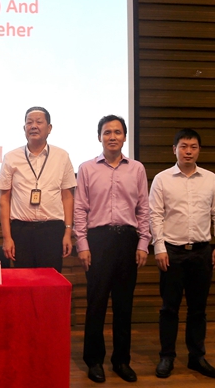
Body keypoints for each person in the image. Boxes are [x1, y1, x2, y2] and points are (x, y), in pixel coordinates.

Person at [74, 114, 150, 383]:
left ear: (125, 137)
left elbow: (143, 209)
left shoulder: (137, 169)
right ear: (99, 137)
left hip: (127, 241)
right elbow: (80, 209)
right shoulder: (86, 168)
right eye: (107, 132)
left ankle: (121, 361)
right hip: (98, 241)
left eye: (117, 132)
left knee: (123, 305)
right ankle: (94, 360)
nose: (112, 137)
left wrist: (143, 243)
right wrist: (82, 245)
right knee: (96, 304)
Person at [150, 128, 215, 379]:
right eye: (183, 146)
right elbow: (155, 216)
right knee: (169, 309)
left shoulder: (210, 179)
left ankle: (196, 357)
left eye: (193, 147)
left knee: (198, 309)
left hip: (202, 252)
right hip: (172, 252)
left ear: (199, 150)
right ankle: (167, 357)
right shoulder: (162, 179)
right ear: (174, 150)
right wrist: (159, 248)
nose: (188, 151)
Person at [0, 106, 76, 271]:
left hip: (52, 230)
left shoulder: (62, 156)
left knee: (51, 281)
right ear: (24, 128)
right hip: (21, 230)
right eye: (29, 122)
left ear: (49, 128)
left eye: (39, 122)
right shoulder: (11, 157)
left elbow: (67, 197)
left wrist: (68, 232)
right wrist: (7, 238)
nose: (33, 126)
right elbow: (4, 199)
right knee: (23, 281)